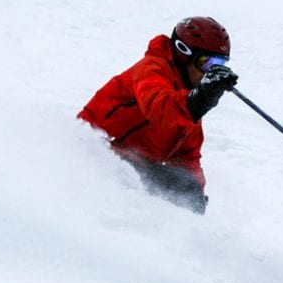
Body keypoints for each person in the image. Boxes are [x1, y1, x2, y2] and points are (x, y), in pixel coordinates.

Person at [78, 17, 239, 214]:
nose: (211, 72)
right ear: (183, 53)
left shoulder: (186, 96)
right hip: (94, 151)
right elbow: (159, 108)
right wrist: (200, 99)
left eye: (220, 64)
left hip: (133, 163)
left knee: (186, 189)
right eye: (208, 63)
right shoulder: (153, 69)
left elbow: (187, 155)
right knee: (143, 183)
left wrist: (194, 192)